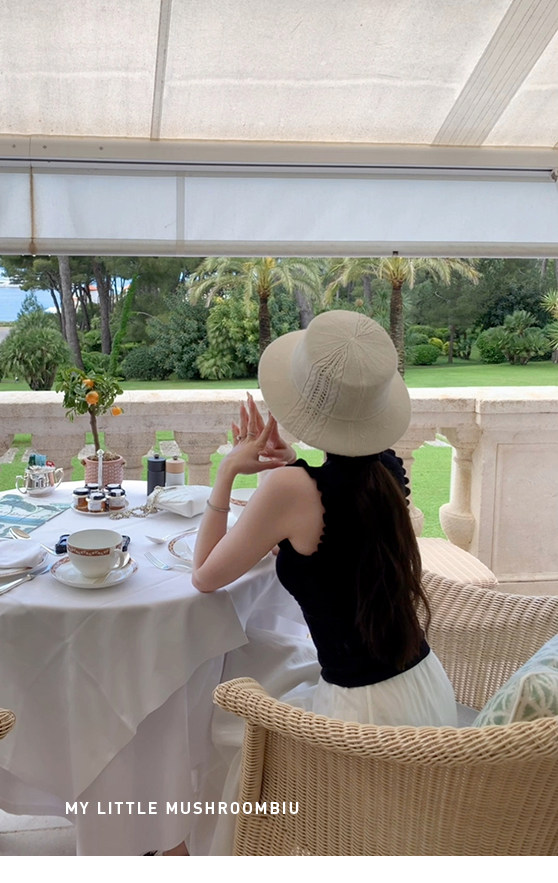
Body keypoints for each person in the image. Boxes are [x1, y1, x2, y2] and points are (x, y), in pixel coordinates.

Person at [193, 309, 457, 729]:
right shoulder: (386, 471)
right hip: (423, 690)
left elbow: (205, 576)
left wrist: (226, 471)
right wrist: (292, 464)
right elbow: (337, 548)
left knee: (219, 711)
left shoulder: (291, 490)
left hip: (361, 721)